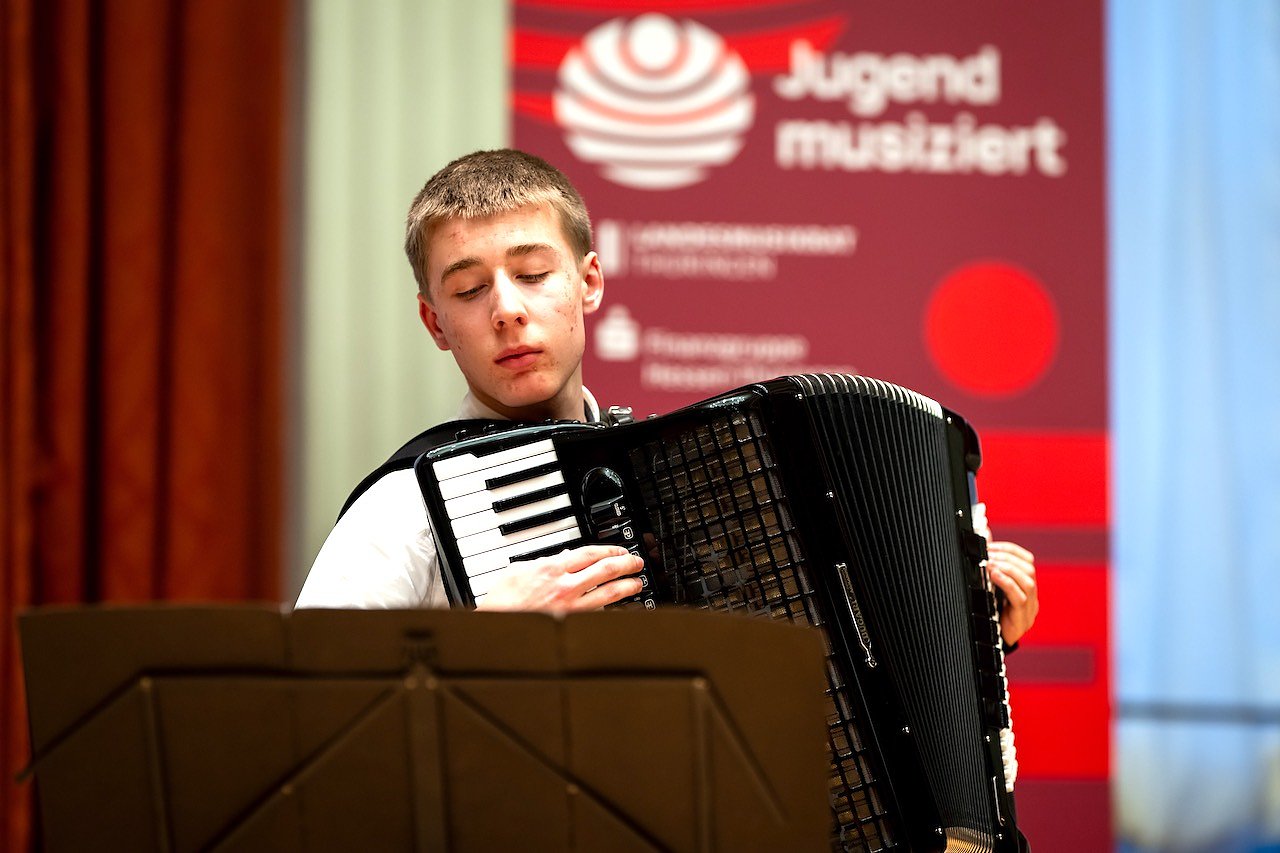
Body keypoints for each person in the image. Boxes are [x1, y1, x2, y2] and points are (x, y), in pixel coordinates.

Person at [294, 148, 1039, 648]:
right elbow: (312, 720)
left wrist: (970, 631)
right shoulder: (403, 507)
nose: (507, 310)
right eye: (467, 289)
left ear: (589, 282)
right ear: (435, 323)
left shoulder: (683, 484)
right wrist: (477, 641)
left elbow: (818, 666)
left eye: (533, 274)